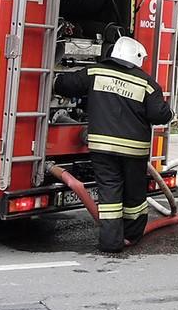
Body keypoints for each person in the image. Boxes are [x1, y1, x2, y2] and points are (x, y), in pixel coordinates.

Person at [54, 36, 172, 254]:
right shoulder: (146, 84)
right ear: (137, 58)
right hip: (134, 152)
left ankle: (110, 243)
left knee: (109, 195)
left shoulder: (95, 72)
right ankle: (132, 235)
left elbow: (64, 84)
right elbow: (161, 115)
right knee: (134, 196)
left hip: (102, 149)